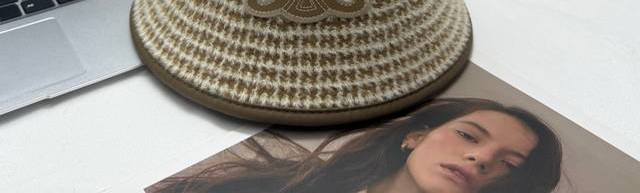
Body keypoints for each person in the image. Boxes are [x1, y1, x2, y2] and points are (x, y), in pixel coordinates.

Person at [152, 97, 563, 193]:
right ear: (415, 136)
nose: (480, 158)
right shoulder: (278, 184)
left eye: (509, 164)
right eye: (468, 136)